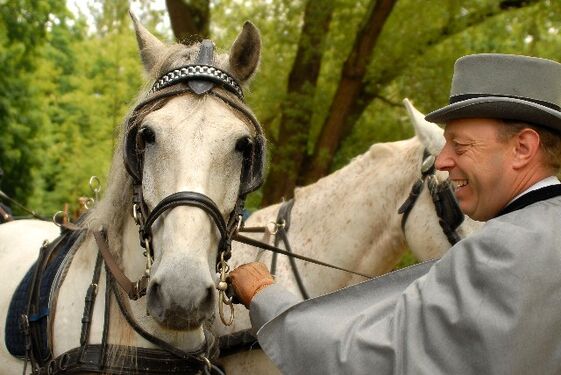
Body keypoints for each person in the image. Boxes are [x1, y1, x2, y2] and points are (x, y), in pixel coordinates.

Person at [229, 53, 561, 374]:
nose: (443, 161)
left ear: (523, 148)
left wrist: (264, 296)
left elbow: (361, 360)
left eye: (460, 146)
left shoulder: (498, 253)